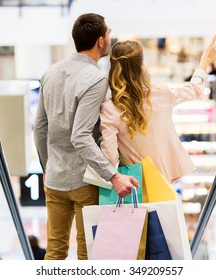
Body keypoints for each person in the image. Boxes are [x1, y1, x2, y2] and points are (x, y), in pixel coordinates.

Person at [33, 13, 139, 260]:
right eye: (109, 33)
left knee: (55, 251)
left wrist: (46, 166)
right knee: (88, 254)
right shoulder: (96, 80)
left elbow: (39, 127)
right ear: (101, 41)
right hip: (84, 181)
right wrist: (113, 176)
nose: (110, 38)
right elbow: (80, 136)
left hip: (54, 178)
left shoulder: (50, 72)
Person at [100, 33, 216, 184]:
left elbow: (109, 157)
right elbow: (194, 89)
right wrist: (204, 61)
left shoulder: (110, 108)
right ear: (142, 67)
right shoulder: (161, 93)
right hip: (163, 182)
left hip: (133, 186)